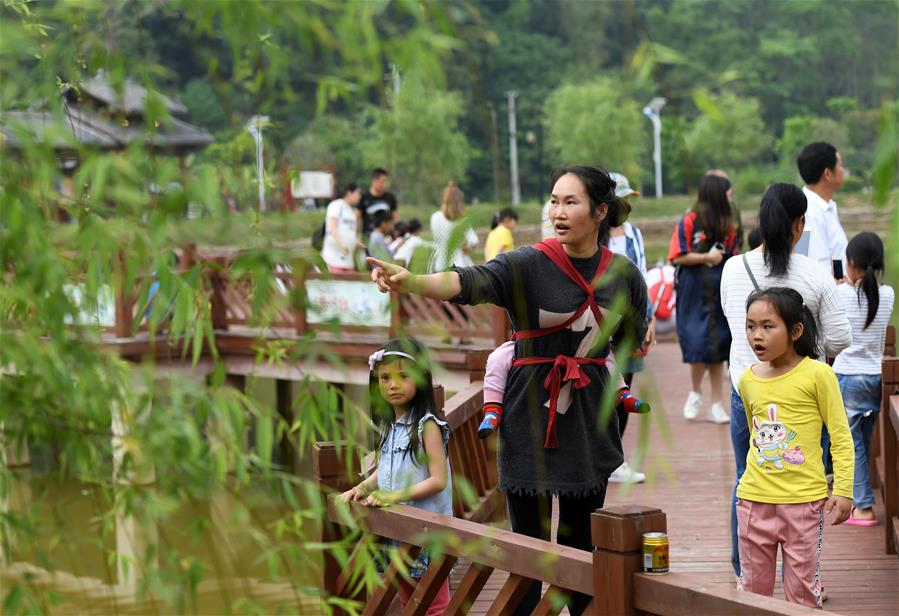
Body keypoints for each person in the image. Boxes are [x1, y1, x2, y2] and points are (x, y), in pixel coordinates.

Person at [368, 164, 648, 615]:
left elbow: (630, 346)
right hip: (526, 418)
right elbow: (469, 281)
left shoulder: (625, 274)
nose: (557, 211)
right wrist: (412, 281)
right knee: (528, 556)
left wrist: (613, 414)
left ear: (600, 211)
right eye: (553, 200)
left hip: (586, 427)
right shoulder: (527, 264)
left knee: (581, 551)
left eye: (570, 202)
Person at [720, 182, 851, 579]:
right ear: (799, 226)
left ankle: (745, 571)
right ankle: (804, 574)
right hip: (802, 394)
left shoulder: (732, 267)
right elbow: (841, 336)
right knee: (806, 479)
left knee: (747, 477)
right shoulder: (814, 273)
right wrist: (809, 351)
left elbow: (734, 324)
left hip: (747, 390)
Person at [736, 287, 853, 608]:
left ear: (796, 330)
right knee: (752, 593)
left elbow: (841, 436)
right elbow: (755, 435)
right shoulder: (748, 379)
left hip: (803, 503)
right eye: (750, 326)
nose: (756, 335)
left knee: (802, 593)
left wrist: (843, 489)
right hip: (753, 501)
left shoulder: (818, 374)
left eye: (767, 326)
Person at [338, 338, 453, 615]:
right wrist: (362, 488)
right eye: (385, 378)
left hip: (426, 534)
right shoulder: (389, 427)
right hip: (397, 532)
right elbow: (385, 469)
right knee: (406, 600)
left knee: (434, 604)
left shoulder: (428, 427)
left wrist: (394, 496)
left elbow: (439, 480)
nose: (393, 384)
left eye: (404, 376)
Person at [833, 232, 894, 525]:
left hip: (847, 378)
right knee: (864, 442)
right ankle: (864, 498)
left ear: (851, 263)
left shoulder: (841, 293)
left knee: (852, 445)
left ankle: (864, 508)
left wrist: (843, 285)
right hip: (876, 378)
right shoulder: (889, 294)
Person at [668, 174, 739, 424]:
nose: (731, 198)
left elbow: (733, 255)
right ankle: (695, 392)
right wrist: (706, 258)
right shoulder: (689, 220)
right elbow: (677, 256)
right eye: (728, 194)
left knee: (720, 344)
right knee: (697, 343)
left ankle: (717, 404)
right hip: (693, 288)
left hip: (720, 287)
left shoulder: (729, 223)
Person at [606, 172, 654, 483]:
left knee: (624, 389)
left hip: (630, 324)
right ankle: (604, 458)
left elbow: (644, 276)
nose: (625, 203)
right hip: (599, 325)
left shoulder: (634, 235)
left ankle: (615, 459)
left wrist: (647, 319)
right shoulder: (594, 236)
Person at [798, 142, 848, 274]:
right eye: (840, 165)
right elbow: (818, 266)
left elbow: (836, 255)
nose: (843, 170)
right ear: (827, 174)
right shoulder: (809, 212)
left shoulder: (827, 207)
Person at [429, 182, 478, 271]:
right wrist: (467, 246)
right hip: (459, 267)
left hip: (440, 265)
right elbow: (474, 240)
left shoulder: (435, 217)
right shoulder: (462, 220)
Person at [320, 183, 363, 273]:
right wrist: (341, 243)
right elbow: (332, 226)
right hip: (334, 257)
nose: (359, 196)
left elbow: (349, 231)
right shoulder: (337, 205)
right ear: (349, 193)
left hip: (348, 258)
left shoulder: (351, 211)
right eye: (358, 193)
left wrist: (355, 242)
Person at [359, 168, 398, 235]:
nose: (384, 184)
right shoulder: (364, 197)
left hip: (386, 237)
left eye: (386, 181)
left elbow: (395, 217)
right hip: (368, 236)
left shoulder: (390, 197)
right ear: (374, 181)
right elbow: (357, 217)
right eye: (383, 181)